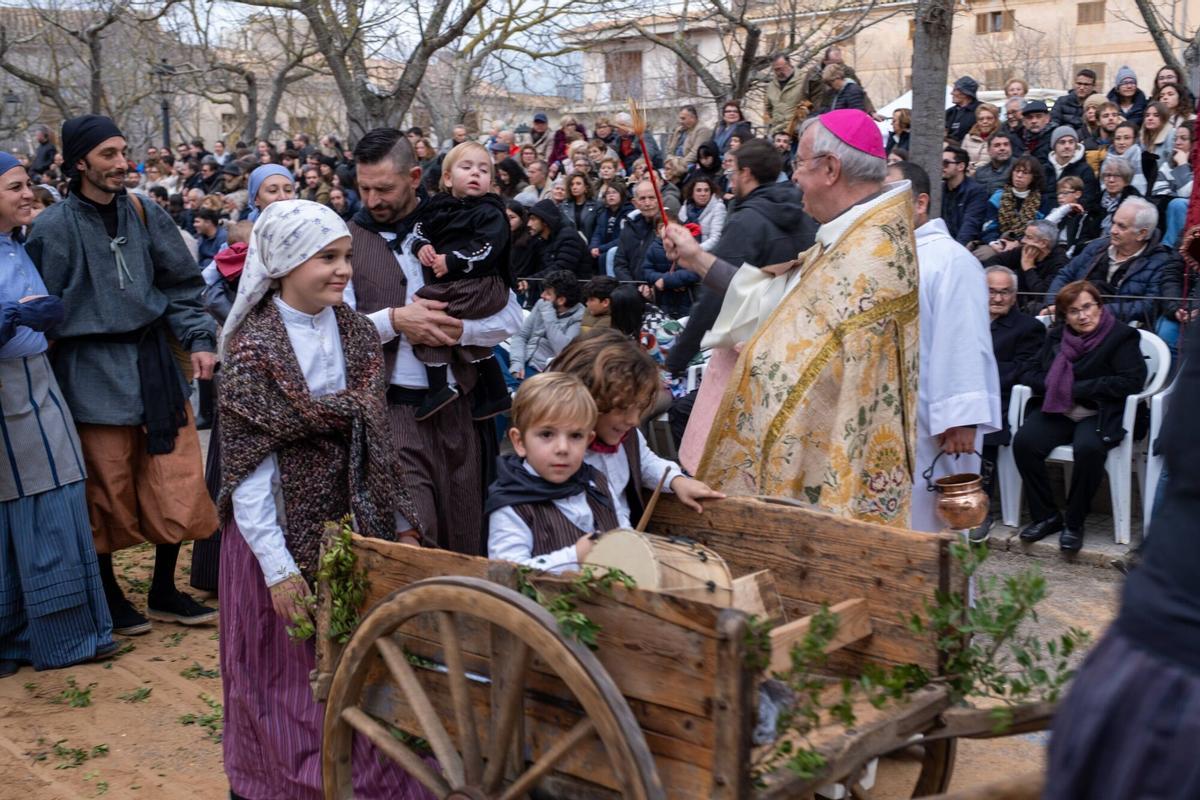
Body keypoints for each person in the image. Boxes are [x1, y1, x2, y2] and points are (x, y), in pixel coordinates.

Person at [215, 199, 426, 798]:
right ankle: (277, 784)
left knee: (356, 669)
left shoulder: (357, 333)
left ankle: (361, 781)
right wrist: (278, 571)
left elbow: (376, 438)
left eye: (346, 256)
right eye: (326, 258)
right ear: (282, 263)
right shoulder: (253, 352)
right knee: (281, 682)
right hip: (274, 541)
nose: (342, 270)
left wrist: (400, 521)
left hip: (351, 523)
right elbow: (250, 476)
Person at [662, 110, 920, 526]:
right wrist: (695, 258)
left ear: (831, 168)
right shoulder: (848, 234)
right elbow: (772, 299)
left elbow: (808, 360)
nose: (793, 176)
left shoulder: (869, 256)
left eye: (798, 163)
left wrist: (757, 351)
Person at [25, 115, 218, 635]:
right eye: (107, 154)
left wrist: (200, 340)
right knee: (105, 488)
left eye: (123, 152)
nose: (120, 164)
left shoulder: (143, 210)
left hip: (153, 363)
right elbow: (40, 310)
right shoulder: (52, 227)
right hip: (90, 372)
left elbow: (181, 286)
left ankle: (163, 589)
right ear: (79, 161)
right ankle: (109, 595)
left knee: (175, 480)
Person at [345, 128, 523, 555]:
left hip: (461, 406)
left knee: (467, 532)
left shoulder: (466, 218)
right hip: (392, 408)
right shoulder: (343, 238)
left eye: (384, 188)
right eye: (364, 188)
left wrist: (464, 331)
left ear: (414, 176)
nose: (372, 201)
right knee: (415, 535)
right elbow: (334, 330)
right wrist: (396, 321)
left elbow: (511, 313)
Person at [0, 153, 116, 677]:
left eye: (28, 184)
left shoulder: (16, 245)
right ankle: (33, 637)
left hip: (38, 385)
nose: (29, 194)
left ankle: (71, 634)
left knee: (62, 494)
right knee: (29, 509)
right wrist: (12, 318)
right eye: (16, 187)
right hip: (6, 400)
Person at [887, 161, 1001, 533]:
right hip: (892, 413)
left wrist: (961, 418)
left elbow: (965, 339)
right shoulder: (891, 255)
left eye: (890, 195)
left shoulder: (951, 259)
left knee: (932, 530)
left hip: (937, 422)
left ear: (920, 203)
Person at [665, 139, 817, 382]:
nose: (730, 179)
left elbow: (718, 295)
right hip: (801, 341)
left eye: (732, 172)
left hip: (756, 354)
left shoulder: (746, 222)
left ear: (746, 173)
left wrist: (675, 361)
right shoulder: (806, 210)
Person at [1013, 280, 1146, 551]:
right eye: (1074, 311)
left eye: (1087, 307)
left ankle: (1074, 522)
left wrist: (1075, 387)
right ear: (1065, 316)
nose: (1083, 316)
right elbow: (1029, 372)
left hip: (1100, 411)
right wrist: (1055, 386)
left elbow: (1131, 381)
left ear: (1099, 306)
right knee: (1025, 442)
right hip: (1059, 408)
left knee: (1088, 450)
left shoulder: (1120, 336)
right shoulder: (1056, 336)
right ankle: (1047, 516)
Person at [552, 330, 723, 527]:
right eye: (623, 408)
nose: (634, 421)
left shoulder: (627, 436)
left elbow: (645, 462)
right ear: (586, 399)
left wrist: (676, 481)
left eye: (639, 408)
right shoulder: (558, 458)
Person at [402, 141, 514, 421]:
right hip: (461, 285)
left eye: (484, 169)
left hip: (484, 284)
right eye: (467, 167)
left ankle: (439, 387)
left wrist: (451, 260)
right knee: (459, 332)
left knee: (427, 309)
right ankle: (498, 394)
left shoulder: (491, 211)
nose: (476, 173)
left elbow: (488, 247)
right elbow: (416, 229)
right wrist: (422, 246)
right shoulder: (439, 207)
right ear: (448, 178)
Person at [486, 372, 613, 573]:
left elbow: (622, 531)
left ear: (588, 440)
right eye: (547, 434)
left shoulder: (596, 482)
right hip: (540, 603)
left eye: (575, 436)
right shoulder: (514, 505)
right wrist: (573, 557)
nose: (562, 448)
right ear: (519, 442)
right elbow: (505, 574)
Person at [974, 265, 1046, 541]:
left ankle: (981, 508)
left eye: (1005, 292)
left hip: (1003, 398)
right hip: (969, 393)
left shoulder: (1028, 328)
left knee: (984, 425)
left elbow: (1023, 370)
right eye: (991, 291)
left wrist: (980, 380)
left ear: (1015, 296)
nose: (998, 298)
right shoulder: (968, 319)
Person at [1047, 198, 1174, 327]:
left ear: (1141, 234)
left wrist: (1099, 311)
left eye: (1121, 226)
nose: (1113, 230)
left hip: (1120, 327)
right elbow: (1065, 274)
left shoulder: (1160, 261)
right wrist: (1053, 303)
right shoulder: (1097, 246)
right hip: (1076, 317)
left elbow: (1149, 305)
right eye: (1114, 223)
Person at [506, 270, 585, 382]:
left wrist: (549, 316)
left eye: (548, 293)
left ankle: (512, 388)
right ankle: (513, 388)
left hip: (543, 372)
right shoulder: (542, 303)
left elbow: (563, 350)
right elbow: (521, 335)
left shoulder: (578, 316)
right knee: (490, 351)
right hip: (523, 361)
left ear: (561, 300)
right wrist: (517, 363)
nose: (542, 296)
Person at [983, 219, 1070, 310]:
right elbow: (991, 263)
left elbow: (1042, 295)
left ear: (1043, 243)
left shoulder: (1060, 263)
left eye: (1029, 237)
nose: (1022, 240)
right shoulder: (1024, 250)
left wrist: (1028, 268)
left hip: (1037, 311)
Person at [979, 154, 1045, 248]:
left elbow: (1041, 230)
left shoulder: (1041, 200)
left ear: (1034, 177)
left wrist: (1018, 243)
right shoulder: (998, 197)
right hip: (998, 243)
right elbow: (988, 227)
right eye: (1017, 171)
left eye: (1025, 173)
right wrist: (994, 243)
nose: (1019, 176)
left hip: (1027, 245)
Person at [612, 180, 662, 286]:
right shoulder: (629, 226)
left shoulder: (671, 225)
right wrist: (633, 288)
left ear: (659, 199)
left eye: (652, 198)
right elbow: (620, 264)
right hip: (632, 290)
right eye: (642, 199)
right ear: (635, 203)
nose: (647, 203)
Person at [1042, 126, 1101, 213]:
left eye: (1071, 142)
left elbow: (1087, 200)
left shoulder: (1086, 170)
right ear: (1054, 146)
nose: (1067, 146)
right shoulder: (1044, 169)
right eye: (1062, 142)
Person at [527, 198, 588, 280]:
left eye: (533, 219)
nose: (528, 224)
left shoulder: (569, 237)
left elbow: (561, 270)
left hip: (573, 290)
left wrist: (529, 282)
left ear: (545, 221)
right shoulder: (541, 241)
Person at [941, 145, 990, 245]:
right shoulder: (939, 189)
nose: (941, 166)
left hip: (962, 246)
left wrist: (955, 249)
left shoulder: (976, 191)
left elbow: (970, 225)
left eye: (945, 163)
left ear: (961, 166)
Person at [1044, 176, 1103, 258]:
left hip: (1069, 255)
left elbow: (1079, 243)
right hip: (1053, 251)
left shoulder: (1085, 214)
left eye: (1065, 193)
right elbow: (1043, 228)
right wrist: (1065, 209)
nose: (1060, 196)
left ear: (1077, 194)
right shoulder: (1057, 212)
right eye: (1058, 193)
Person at [679, 174, 726, 252]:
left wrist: (694, 251)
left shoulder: (718, 208)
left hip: (707, 256)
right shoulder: (684, 208)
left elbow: (716, 238)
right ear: (692, 193)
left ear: (711, 192)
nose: (703, 194)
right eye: (698, 190)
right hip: (686, 254)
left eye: (706, 190)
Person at [1097, 158, 1143, 236]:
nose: (1111, 180)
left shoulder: (1136, 204)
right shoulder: (1095, 201)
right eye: (1108, 175)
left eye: (1116, 176)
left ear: (1126, 180)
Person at [766, 53, 806, 135]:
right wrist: (771, 122)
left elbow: (811, 103)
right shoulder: (771, 86)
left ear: (788, 64)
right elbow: (768, 108)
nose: (778, 72)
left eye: (780, 69)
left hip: (797, 131)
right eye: (775, 70)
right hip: (776, 132)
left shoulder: (804, 80)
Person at [558, 172, 601, 243]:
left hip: (589, 246)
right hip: (568, 244)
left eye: (578, 184)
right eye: (572, 184)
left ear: (586, 187)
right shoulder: (563, 206)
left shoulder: (596, 206)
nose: (574, 187)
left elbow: (598, 231)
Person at [962, 102, 1002, 171]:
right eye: (981, 119)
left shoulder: (1001, 138)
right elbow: (961, 160)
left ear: (996, 120)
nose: (985, 121)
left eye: (989, 118)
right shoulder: (968, 137)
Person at [945, 75, 981, 143]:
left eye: (955, 90)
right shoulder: (949, 112)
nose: (951, 93)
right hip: (949, 149)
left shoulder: (981, 110)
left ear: (964, 93)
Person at [1019, 99, 1054, 165]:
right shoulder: (1018, 137)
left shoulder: (1055, 138)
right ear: (1024, 121)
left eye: (1038, 116)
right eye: (1029, 117)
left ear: (1047, 119)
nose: (1034, 121)